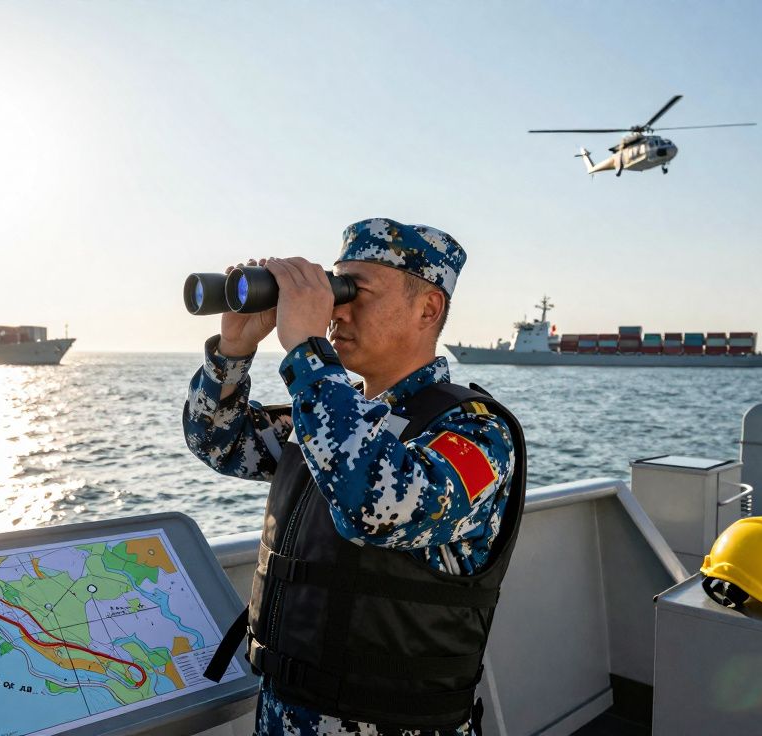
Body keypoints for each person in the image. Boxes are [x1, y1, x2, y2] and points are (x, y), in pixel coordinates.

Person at [184, 218, 526, 736]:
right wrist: (234, 349)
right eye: (330, 289)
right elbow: (218, 441)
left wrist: (306, 351)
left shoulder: (477, 433)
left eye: (353, 292)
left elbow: (376, 506)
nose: (334, 310)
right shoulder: (331, 412)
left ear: (428, 309)